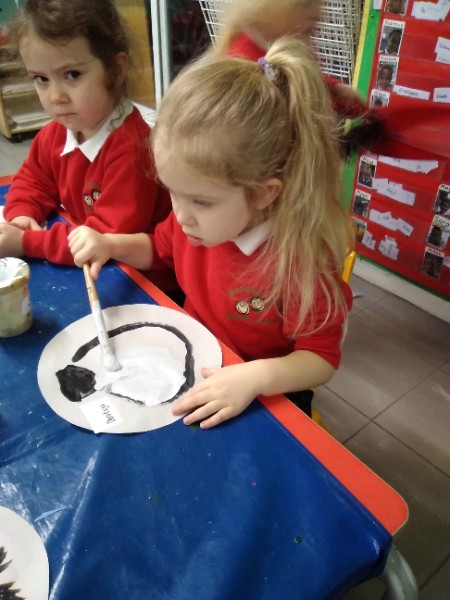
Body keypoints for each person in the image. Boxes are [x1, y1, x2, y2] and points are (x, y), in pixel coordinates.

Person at [68, 37, 355, 429]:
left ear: (263, 194)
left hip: (266, 390)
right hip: (198, 358)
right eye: (173, 192)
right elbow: (158, 249)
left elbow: (320, 358)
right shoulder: (195, 225)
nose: (181, 215)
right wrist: (110, 244)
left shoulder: (300, 263)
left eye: (201, 202)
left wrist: (254, 378)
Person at [0, 0, 174, 291]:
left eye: (72, 75)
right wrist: (22, 215)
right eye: (41, 79)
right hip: (93, 267)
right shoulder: (56, 133)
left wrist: (26, 242)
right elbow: (33, 180)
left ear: (116, 70)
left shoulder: (133, 149)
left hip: (141, 283)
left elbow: (102, 237)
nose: (56, 96)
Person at [212, 0, 365, 120]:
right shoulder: (244, 71)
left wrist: (334, 90)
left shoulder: (291, 40)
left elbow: (305, 81)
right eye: (305, 3)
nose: (319, 15)